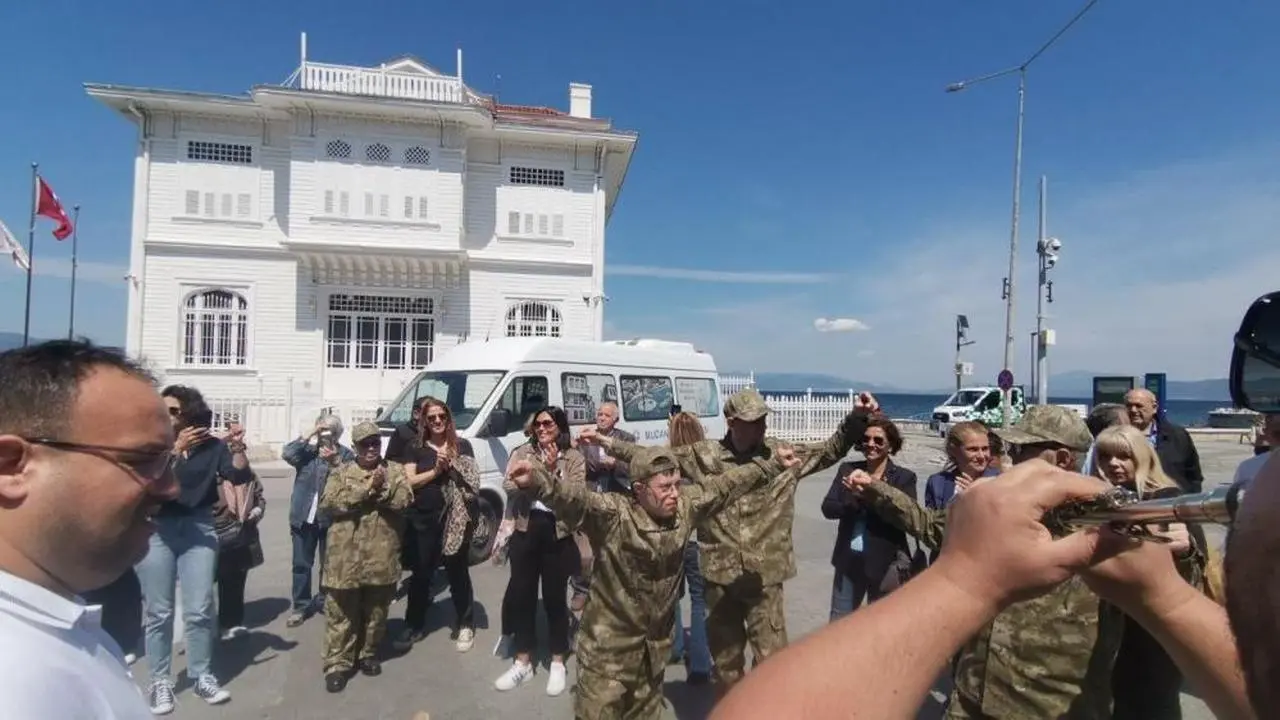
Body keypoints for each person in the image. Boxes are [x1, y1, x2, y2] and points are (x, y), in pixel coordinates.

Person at [580, 388, 876, 697]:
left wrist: (857, 417)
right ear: (731, 422)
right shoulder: (705, 455)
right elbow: (652, 459)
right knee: (726, 666)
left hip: (765, 578)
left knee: (772, 663)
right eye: (753, 421)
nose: (761, 426)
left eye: (763, 419)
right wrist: (605, 442)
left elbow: (830, 449)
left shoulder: (782, 454)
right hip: (720, 579)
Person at [846, 404, 1127, 718]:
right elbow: (931, 526)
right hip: (971, 698)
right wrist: (875, 489)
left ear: (1062, 459)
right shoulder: (998, 511)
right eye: (1009, 448)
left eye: (1021, 450)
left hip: (1047, 709)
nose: (1008, 458)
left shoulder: (1109, 532)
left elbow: (1157, 621)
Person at [506, 442, 801, 719]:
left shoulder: (685, 507)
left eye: (676, 485)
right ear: (639, 490)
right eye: (664, 488)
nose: (674, 494)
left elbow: (727, 485)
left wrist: (772, 465)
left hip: (653, 654)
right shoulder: (613, 514)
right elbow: (572, 497)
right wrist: (537, 480)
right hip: (608, 655)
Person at [0, 340, 179, 719]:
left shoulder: (57, 623)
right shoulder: (15, 684)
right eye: (142, 459)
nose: (170, 488)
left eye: (167, 461)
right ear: (12, 467)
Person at [138, 385, 248, 713]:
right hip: (157, 527)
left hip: (199, 527)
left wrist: (237, 445)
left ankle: (201, 675)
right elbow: (147, 482)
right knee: (159, 612)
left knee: (199, 609)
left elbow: (238, 473)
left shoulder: (213, 447)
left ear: (188, 414)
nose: (167, 415)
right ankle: (160, 681)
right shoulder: (152, 443)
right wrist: (175, 450)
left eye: (174, 411)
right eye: (164, 410)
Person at [493, 406, 585, 696]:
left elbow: (576, 495)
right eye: (537, 424)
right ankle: (523, 661)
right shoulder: (523, 451)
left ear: (559, 426)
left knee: (555, 599)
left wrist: (549, 472)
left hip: (557, 532)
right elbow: (508, 483)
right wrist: (530, 482)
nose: (541, 428)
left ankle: (557, 660)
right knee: (523, 597)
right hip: (526, 528)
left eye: (547, 423)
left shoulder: (573, 456)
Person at [319, 421, 413, 693]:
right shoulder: (341, 471)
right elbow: (329, 503)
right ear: (355, 447)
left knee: (376, 612)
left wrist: (381, 490)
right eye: (365, 444)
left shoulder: (394, 470)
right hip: (344, 558)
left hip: (381, 556)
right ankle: (338, 664)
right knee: (340, 614)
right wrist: (366, 490)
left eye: (375, 443)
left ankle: (368, 654)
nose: (371, 448)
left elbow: (404, 499)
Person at [396, 397, 481, 653]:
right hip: (423, 518)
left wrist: (452, 463)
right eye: (431, 417)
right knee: (421, 573)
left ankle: (465, 623)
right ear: (424, 421)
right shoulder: (415, 447)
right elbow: (409, 481)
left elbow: (472, 480)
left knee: (457, 572)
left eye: (441, 416)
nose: (437, 421)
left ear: (448, 419)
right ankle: (414, 624)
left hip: (455, 519)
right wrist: (435, 470)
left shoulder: (462, 445)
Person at [821, 416, 917, 620]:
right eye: (866, 439)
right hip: (848, 561)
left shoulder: (904, 478)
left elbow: (905, 518)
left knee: (882, 624)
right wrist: (854, 502)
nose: (871, 444)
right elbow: (828, 508)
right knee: (839, 623)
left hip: (885, 564)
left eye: (878, 440)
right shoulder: (848, 469)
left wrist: (869, 495)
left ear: (891, 445)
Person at [281, 415, 354, 628]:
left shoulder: (345, 455)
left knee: (328, 566)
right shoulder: (307, 453)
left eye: (330, 431)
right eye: (323, 430)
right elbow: (287, 453)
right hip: (303, 518)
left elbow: (351, 480)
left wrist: (334, 460)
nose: (325, 435)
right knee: (301, 565)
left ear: (337, 434)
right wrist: (311, 433)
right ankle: (300, 606)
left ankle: (324, 601)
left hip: (330, 519)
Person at [570, 400, 635, 612]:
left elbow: (634, 466)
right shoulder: (587, 436)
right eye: (599, 414)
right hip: (590, 497)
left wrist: (615, 464)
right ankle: (581, 589)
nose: (601, 418)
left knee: (613, 550)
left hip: (616, 497)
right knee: (584, 552)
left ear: (615, 419)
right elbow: (579, 463)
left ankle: (613, 593)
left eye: (606, 415)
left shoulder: (626, 439)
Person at [1123, 389, 1204, 493]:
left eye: (1139, 406)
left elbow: (1193, 474)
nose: (1133, 410)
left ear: (1154, 408)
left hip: (1172, 498)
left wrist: (1188, 497)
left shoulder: (1177, 436)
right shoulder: (1117, 437)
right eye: (1129, 406)